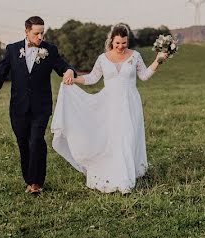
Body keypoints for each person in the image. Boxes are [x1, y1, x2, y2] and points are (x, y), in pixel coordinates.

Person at [51, 23, 168, 194]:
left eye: (124, 43)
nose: (121, 47)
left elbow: (144, 76)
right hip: (110, 104)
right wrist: (74, 80)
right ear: (111, 41)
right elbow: (92, 78)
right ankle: (117, 173)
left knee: (127, 137)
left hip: (130, 103)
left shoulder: (135, 56)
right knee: (114, 138)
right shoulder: (103, 58)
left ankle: (126, 179)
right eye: (117, 43)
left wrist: (158, 61)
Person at [0, 16, 76, 196]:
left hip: (41, 107)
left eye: (42, 33)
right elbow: (0, 73)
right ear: (26, 31)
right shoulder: (12, 49)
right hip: (18, 107)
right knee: (23, 143)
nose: (40, 36)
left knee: (36, 141)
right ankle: (29, 179)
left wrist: (70, 70)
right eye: (36, 33)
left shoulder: (50, 50)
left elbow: (62, 66)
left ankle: (36, 183)